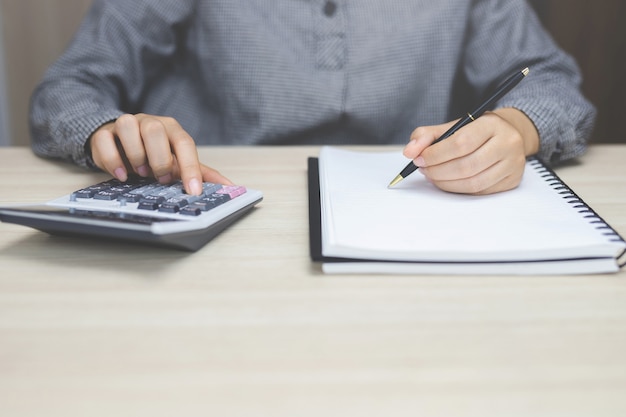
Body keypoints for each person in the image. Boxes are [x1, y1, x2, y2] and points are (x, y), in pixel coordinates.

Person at [30, 0, 595, 196]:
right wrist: (106, 127)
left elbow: (546, 77)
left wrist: (519, 128)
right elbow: (69, 87)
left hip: (403, 209)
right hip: (214, 205)